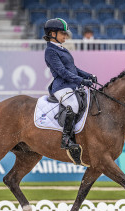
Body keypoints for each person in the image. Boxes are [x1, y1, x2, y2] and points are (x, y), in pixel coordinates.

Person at [43, 18, 97, 165]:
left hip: (71, 86)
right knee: (72, 106)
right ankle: (66, 138)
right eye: (62, 33)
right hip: (61, 87)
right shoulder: (50, 51)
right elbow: (62, 72)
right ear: (52, 33)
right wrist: (81, 81)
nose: (65, 36)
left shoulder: (62, 48)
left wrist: (88, 76)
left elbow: (74, 69)